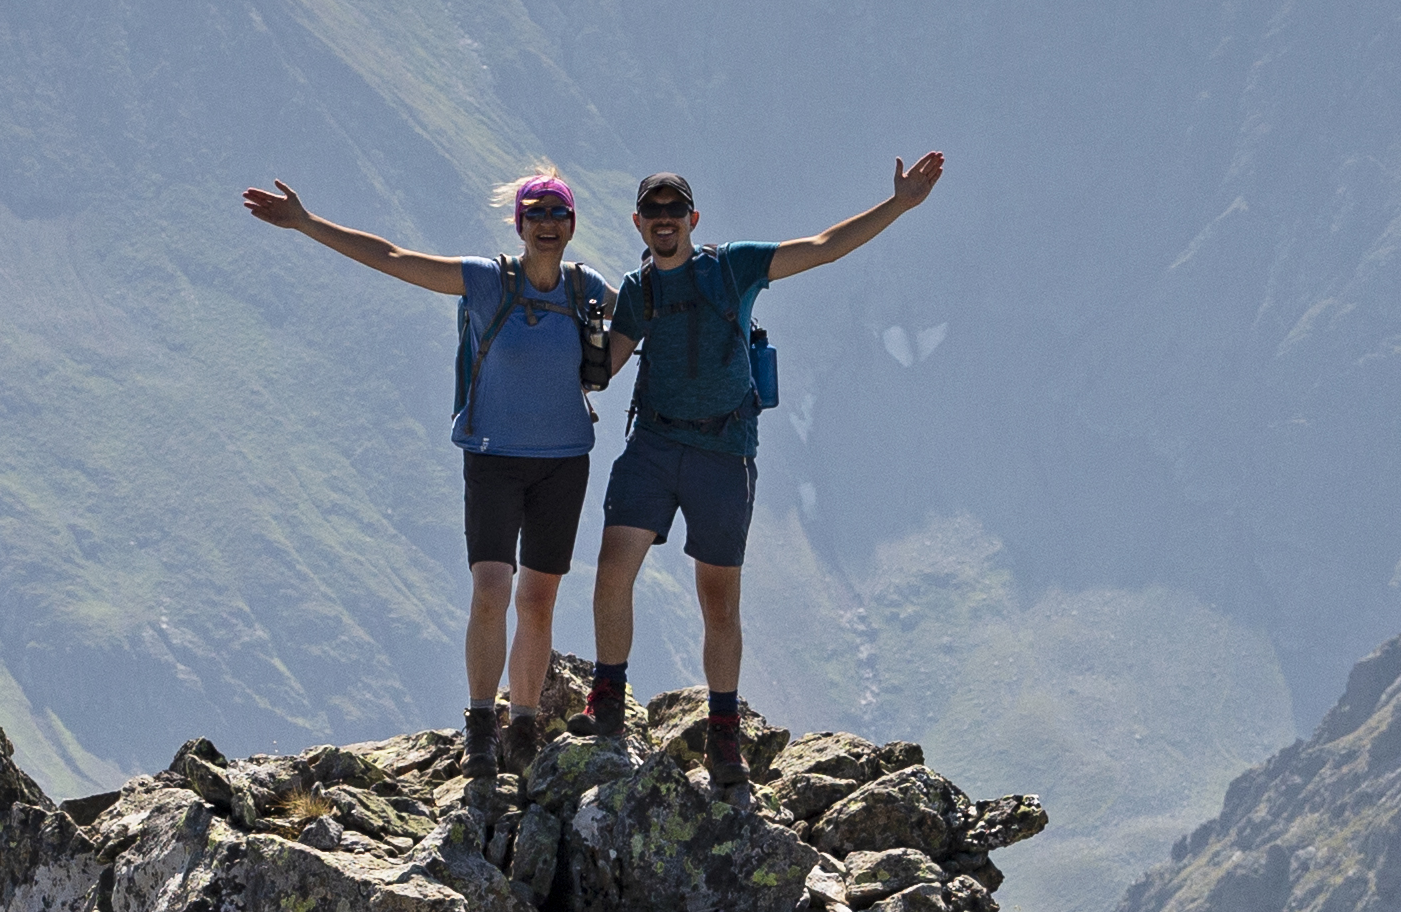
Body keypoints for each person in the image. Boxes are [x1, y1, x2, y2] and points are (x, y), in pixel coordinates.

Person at [239, 164, 614, 775]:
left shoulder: (587, 289)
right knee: (492, 591)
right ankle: (480, 726)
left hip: (564, 462)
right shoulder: (486, 280)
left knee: (539, 600)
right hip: (492, 457)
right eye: (536, 212)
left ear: (572, 222)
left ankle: (522, 726)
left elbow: (643, 325)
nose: (548, 223)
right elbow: (391, 256)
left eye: (558, 211)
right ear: (519, 223)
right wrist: (306, 224)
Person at [590, 153, 949, 780]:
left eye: (676, 210)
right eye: (655, 211)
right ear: (639, 223)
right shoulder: (637, 291)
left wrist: (898, 205)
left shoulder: (734, 266)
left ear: (694, 218)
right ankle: (609, 708)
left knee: (718, 599)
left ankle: (723, 735)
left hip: (724, 451)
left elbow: (823, 247)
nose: (666, 220)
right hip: (652, 445)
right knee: (612, 572)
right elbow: (602, 370)